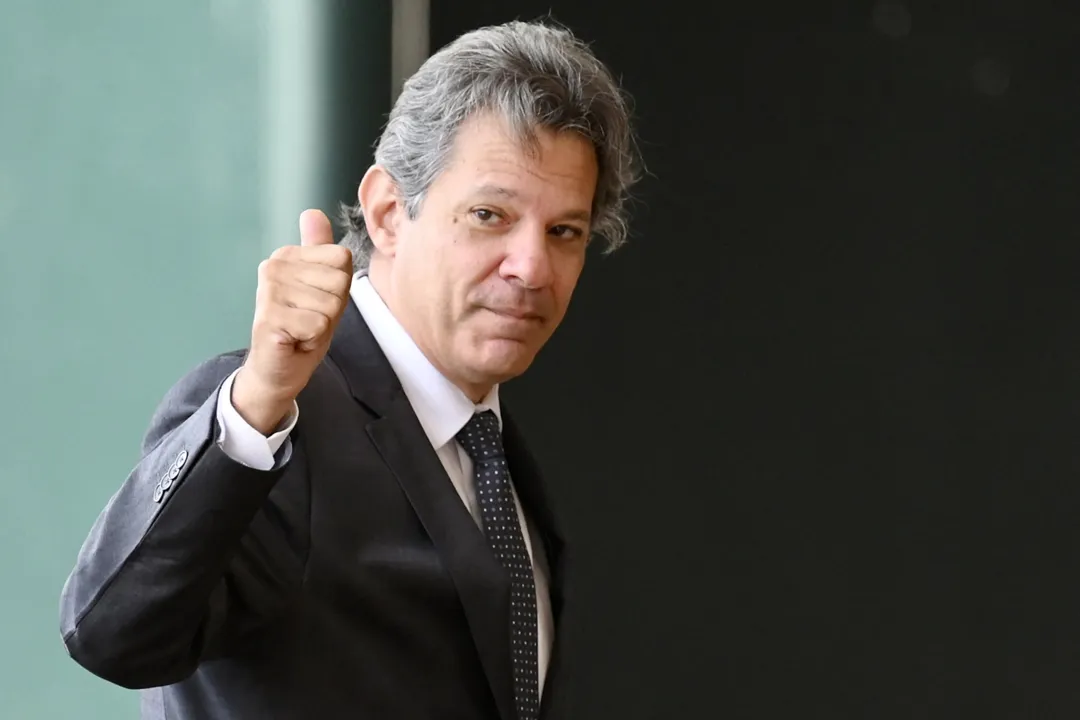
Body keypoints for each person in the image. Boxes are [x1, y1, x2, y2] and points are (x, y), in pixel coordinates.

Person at [58, 18, 641, 720]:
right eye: (489, 215)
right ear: (389, 213)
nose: (531, 267)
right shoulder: (275, 422)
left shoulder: (490, 453)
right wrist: (256, 405)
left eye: (564, 232)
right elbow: (111, 634)